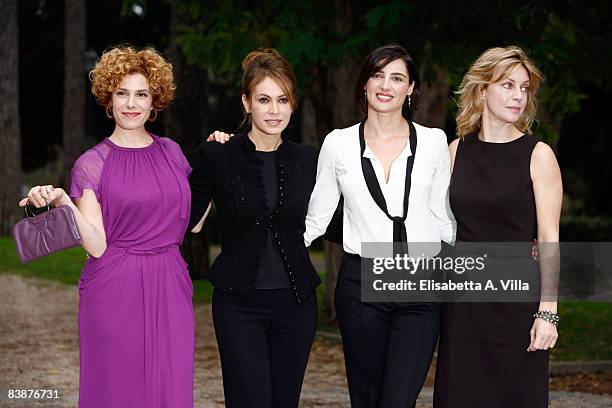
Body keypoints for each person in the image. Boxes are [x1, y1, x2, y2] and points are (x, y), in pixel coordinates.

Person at [20, 46, 194, 408]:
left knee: (170, 389)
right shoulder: (92, 164)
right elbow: (96, 245)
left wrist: (221, 154)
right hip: (116, 287)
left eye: (141, 94)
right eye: (122, 93)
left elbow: (192, 221)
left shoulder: (172, 152)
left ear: (154, 101)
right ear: (109, 99)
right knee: (118, 391)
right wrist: (65, 202)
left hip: (172, 283)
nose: (131, 103)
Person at [304, 44, 456, 408]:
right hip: (361, 283)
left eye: (397, 77)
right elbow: (317, 218)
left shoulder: (434, 142)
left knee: (398, 399)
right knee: (366, 398)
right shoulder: (338, 144)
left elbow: (444, 217)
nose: (386, 85)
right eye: (378, 75)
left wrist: (503, 248)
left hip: (420, 282)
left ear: (411, 88)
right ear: (364, 84)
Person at [188, 48, 319, 408]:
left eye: (283, 100)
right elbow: (190, 222)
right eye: (264, 100)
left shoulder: (310, 161)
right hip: (238, 306)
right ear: (247, 103)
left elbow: (340, 221)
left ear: (293, 104)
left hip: (297, 305)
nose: (274, 110)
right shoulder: (218, 155)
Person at [433, 46, 562, 407]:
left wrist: (547, 311)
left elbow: (549, 237)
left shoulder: (538, 155)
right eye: (507, 85)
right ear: (482, 89)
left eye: (524, 88)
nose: (519, 95)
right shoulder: (455, 151)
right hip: (463, 306)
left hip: (518, 305)